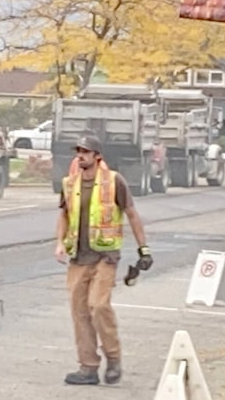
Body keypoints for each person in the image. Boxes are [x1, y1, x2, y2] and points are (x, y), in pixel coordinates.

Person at [53, 134, 152, 386]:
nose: (80, 155)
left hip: (105, 257)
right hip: (78, 257)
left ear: (97, 156)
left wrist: (144, 248)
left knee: (98, 306)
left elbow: (131, 213)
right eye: (78, 151)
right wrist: (59, 243)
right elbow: (64, 215)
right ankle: (88, 367)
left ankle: (113, 358)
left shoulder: (113, 181)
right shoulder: (70, 183)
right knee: (79, 313)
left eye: (85, 152)